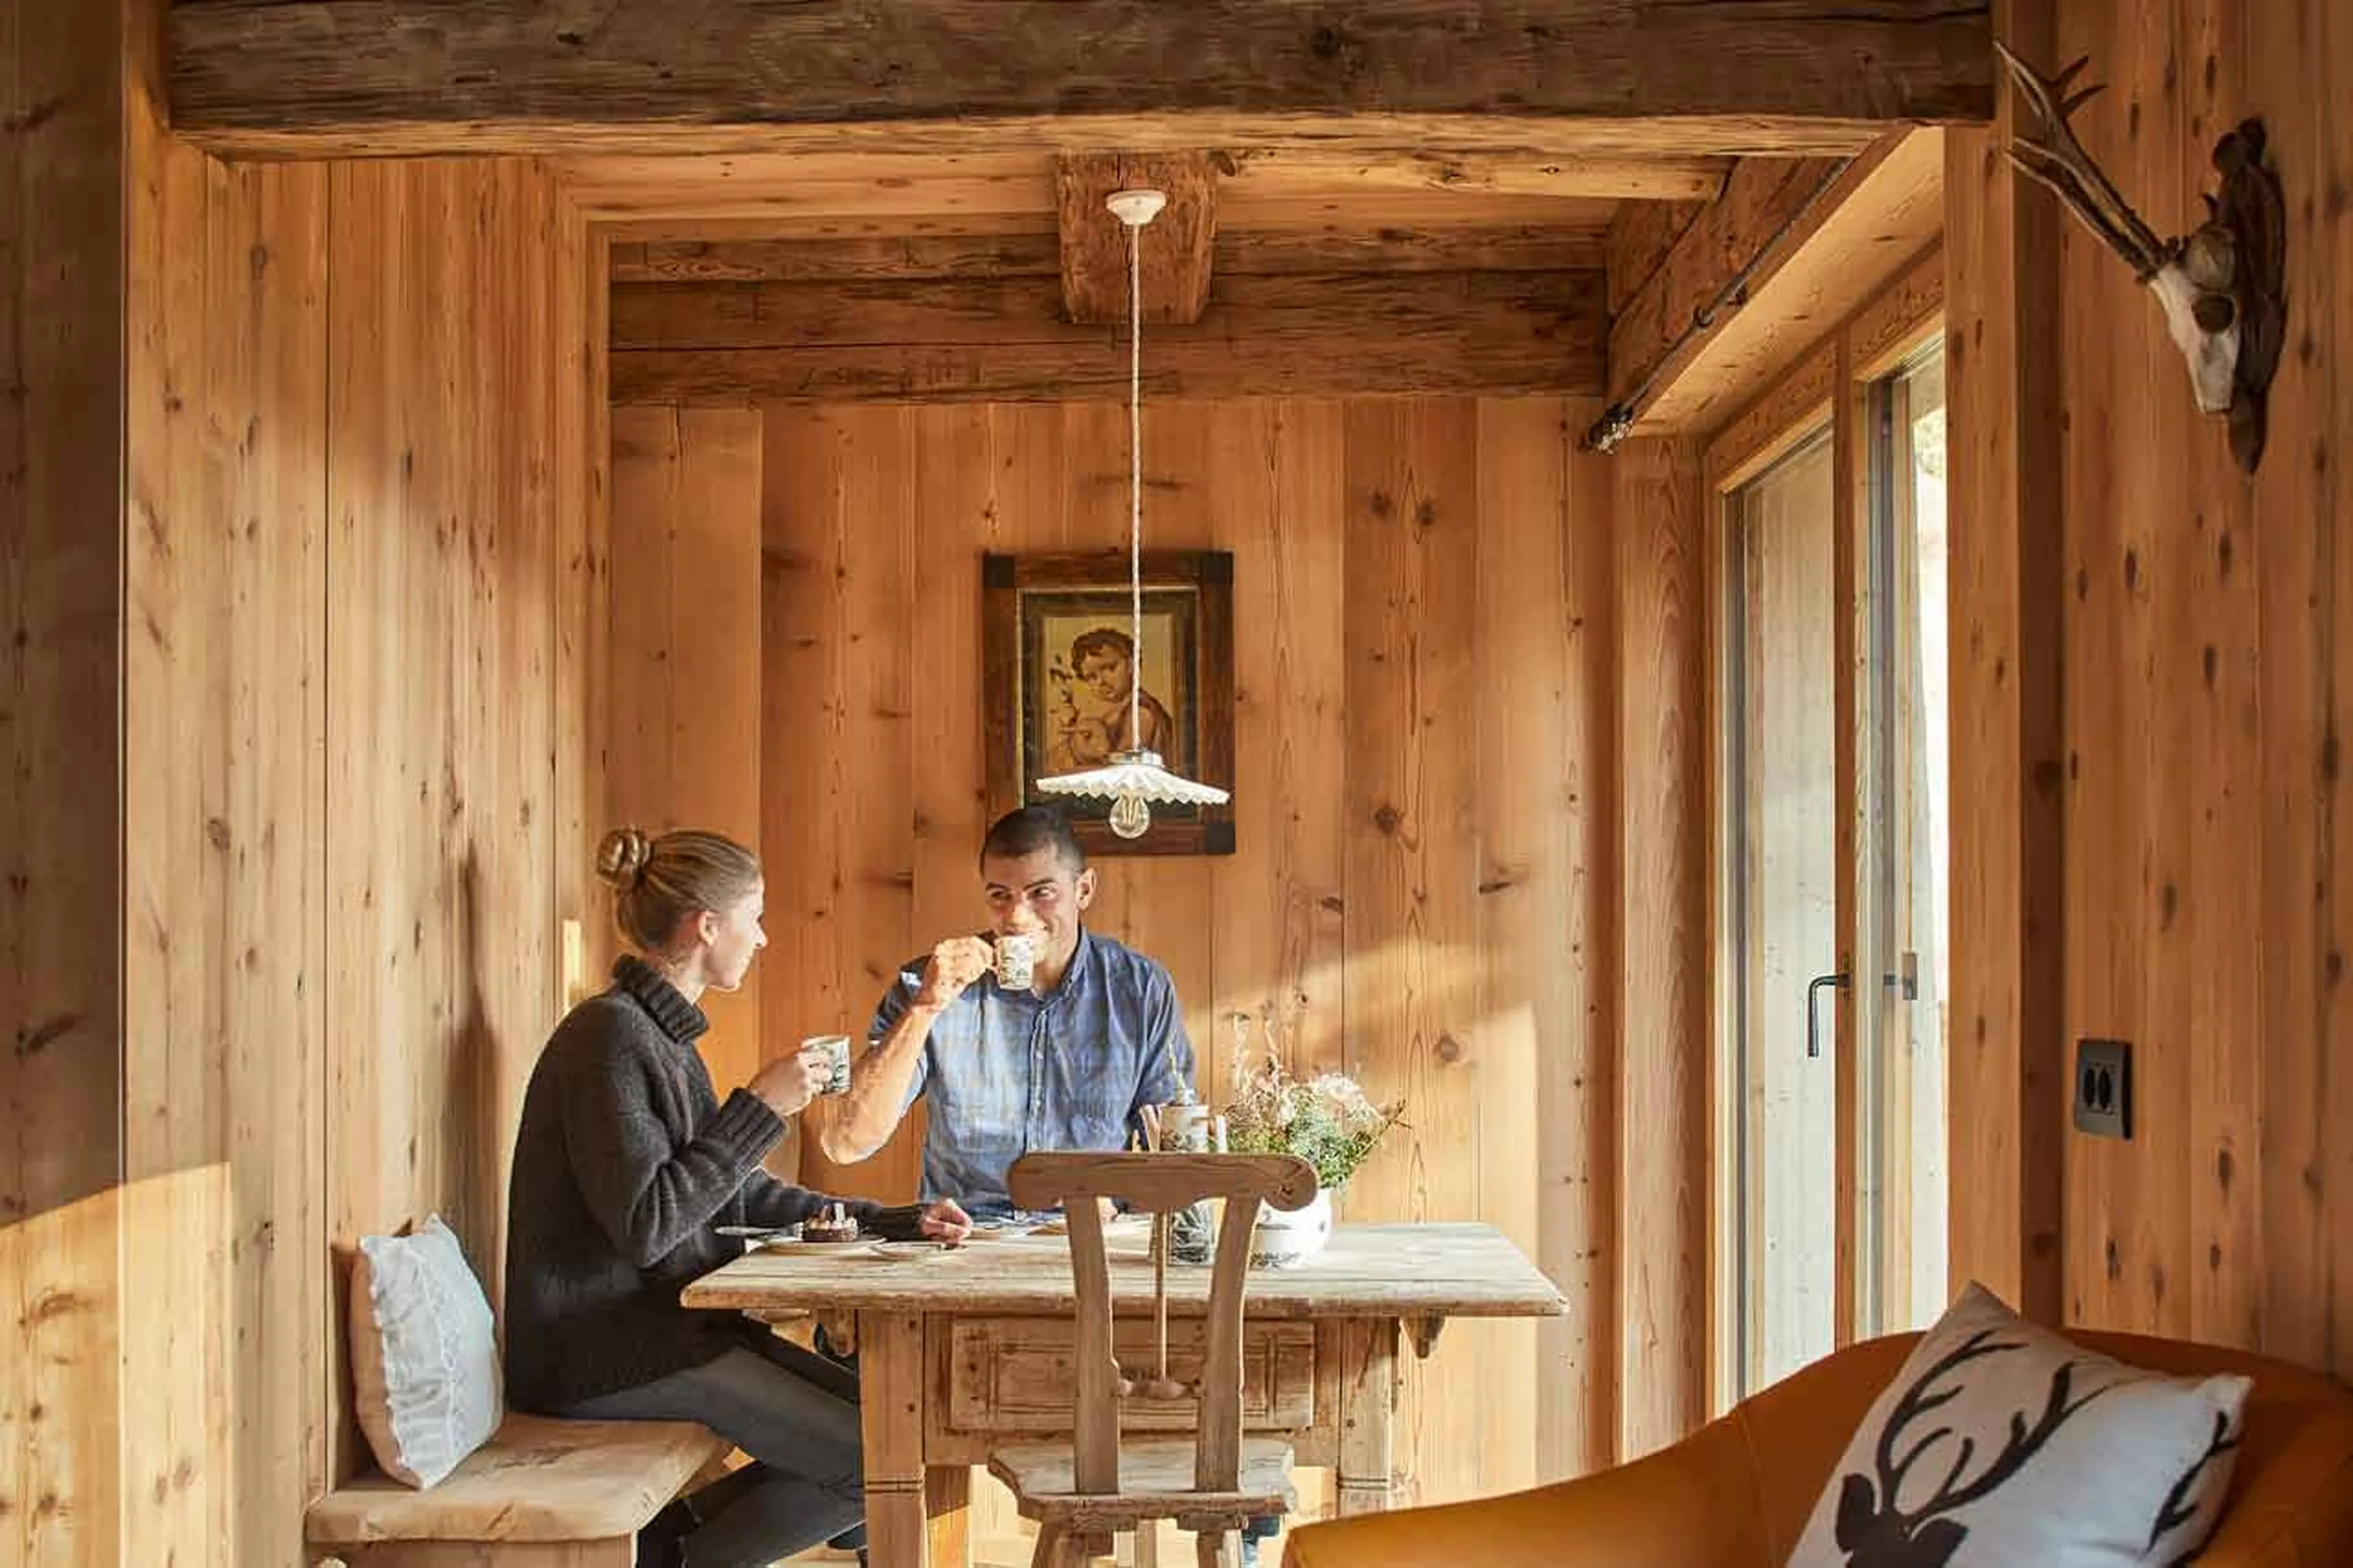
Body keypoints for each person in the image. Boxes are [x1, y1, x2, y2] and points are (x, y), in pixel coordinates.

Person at [504, 826, 972, 1568]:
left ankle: (667, 1545)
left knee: (888, 1429)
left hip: (666, 1334)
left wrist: (895, 1220)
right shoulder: (608, 1041)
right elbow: (652, 1225)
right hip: (599, 1353)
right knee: (871, 1466)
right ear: (706, 926)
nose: (762, 938)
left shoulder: (658, 1039)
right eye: (754, 916)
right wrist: (759, 1105)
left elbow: (729, 1192)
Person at [809, 805, 1194, 1219]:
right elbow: (846, 1141)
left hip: (1091, 1235)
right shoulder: (929, 983)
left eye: (1041, 893)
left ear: (1084, 889)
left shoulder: (1139, 989)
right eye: (1000, 896)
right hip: (962, 1237)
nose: (1017, 917)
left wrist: (1122, 1207)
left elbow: (1177, 1153)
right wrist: (925, 1007)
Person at [1048, 626, 1177, 773]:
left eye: (1110, 668)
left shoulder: (1142, 713)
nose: (1101, 682)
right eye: (1092, 677)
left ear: (1131, 664)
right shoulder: (1114, 711)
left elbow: (1124, 772)